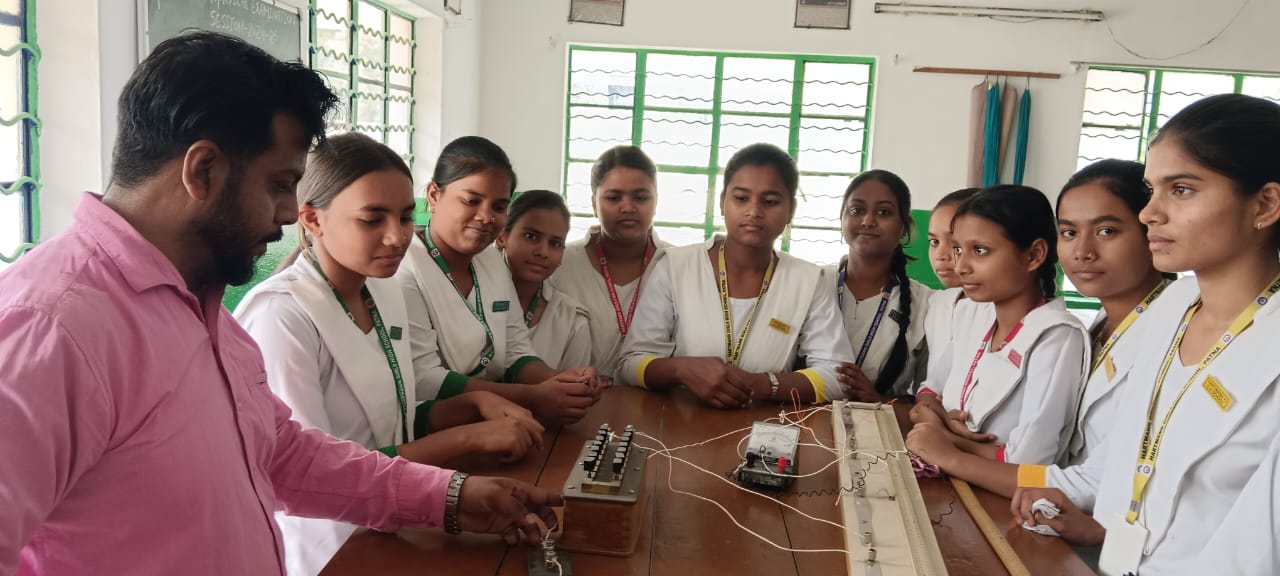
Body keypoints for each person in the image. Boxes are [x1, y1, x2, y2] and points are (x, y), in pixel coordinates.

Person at [0, 32, 556, 576]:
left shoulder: (198, 306)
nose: (292, 213)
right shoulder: (52, 327)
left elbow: (283, 455)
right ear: (204, 171)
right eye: (280, 184)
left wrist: (452, 496)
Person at [235, 134, 547, 574]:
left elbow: (394, 416)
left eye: (404, 217)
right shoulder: (282, 316)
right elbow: (311, 473)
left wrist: (473, 407)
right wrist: (469, 438)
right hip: (332, 546)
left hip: (398, 518)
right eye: (372, 219)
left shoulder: (381, 289)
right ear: (312, 219)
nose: (398, 237)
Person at [1016, 94, 1280, 576]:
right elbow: (1130, 462)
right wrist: (1105, 532)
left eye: (1181, 190)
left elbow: (1256, 551)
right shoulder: (1171, 307)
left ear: (1265, 203)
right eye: (1151, 190)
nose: (1149, 213)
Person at [906, 161, 1170, 500]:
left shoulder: (1075, 335)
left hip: (1086, 521)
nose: (1083, 252)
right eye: (1070, 233)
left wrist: (952, 449)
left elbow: (1065, 469)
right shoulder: (1105, 324)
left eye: (1106, 231)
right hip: (1041, 507)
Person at [617, 143, 855, 406]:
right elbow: (631, 363)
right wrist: (680, 370)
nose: (754, 211)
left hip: (767, 431)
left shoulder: (808, 280)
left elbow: (838, 376)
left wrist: (764, 385)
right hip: (680, 427)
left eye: (771, 201)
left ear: (791, 210)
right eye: (741, 198)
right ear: (722, 202)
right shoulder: (676, 266)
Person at [397, 137, 602, 427]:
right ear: (433, 195)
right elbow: (424, 378)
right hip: (436, 427)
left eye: (499, 206)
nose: (485, 217)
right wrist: (533, 397)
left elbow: (516, 348)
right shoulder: (406, 269)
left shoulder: (491, 260)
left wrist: (561, 382)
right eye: (471, 200)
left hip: (497, 421)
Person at [907, 186, 1089, 470]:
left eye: (979, 250)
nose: (961, 265)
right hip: (952, 479)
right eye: (958, 249)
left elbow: (1030, 461)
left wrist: (948, 441)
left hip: (1004, 502)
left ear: (1034, 255)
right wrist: (935, 419)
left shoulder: (1057, 336)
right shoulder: (970, 312)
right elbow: (929, 391)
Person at [548, 146, 670, 377]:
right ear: (594, 203)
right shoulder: (561, 264)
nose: (628, 207)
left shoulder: (675, 265)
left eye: (641, 197)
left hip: (655, 405)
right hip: (573, 402)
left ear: (656, 202)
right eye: (613, 197)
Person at [828, 170, 933, 412]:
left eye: (884, 212)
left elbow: (930, 403)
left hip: (883, 436)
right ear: (841, 218)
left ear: (904, 228)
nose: (867, 220)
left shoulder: (927, 305)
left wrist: (878, 400)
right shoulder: (814, 283)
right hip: (799, 421)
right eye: (857, 210)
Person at [497, 189, 591, 371]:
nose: (543, 252)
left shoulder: (572, 321)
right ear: (502, 236)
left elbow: (572, 392)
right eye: (531, 236)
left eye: (555, 244)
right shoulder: (468, 298)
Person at [917, 188, 989, 393]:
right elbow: (934, 383)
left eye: (955, 244)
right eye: (934, 242)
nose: (940, 254)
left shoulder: (998, 310)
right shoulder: (938, 303)